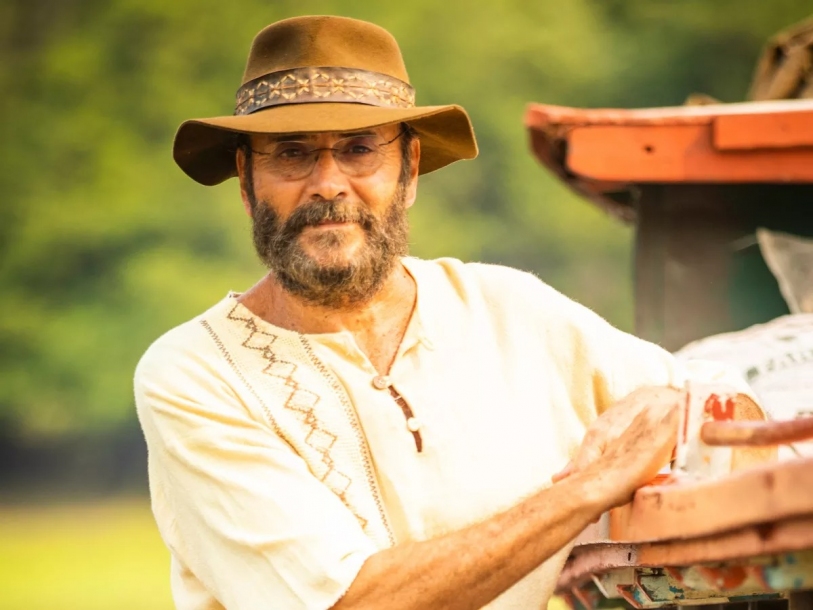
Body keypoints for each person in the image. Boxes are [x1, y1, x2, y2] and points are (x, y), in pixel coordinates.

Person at [134, 15, 750, 610]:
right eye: (291, 154)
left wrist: (675, 405)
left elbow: (733, 414)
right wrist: (592, 489)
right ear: (246, 182)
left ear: (409, 173)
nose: (327, 183)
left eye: (358, 149)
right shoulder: (195, 375)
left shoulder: (509, 311)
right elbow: (349, 605)